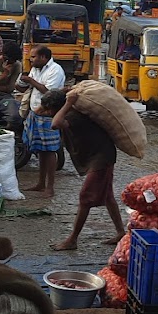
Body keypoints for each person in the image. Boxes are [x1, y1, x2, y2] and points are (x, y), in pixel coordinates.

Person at [35, 89, 126, 251]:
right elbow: (45, 113)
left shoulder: (72, 115)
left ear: (58, 107)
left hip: (101, 157)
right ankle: (120, 232)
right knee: (108, 197)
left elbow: (55, 124)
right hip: (97, 155)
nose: (48, 113)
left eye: (50, 110)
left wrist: (68, 103)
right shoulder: (69, 111)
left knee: (85, 197)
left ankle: (72, 240)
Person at [19, 46, 67, 196]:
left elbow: (49, 92)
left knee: (50, 151)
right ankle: (40, 183)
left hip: (48, 115)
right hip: (35, 113)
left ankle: (50, 187)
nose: (31, 59)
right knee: (41, 150)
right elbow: (23, 88)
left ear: (44, 57)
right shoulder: (36, 69)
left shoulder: (55, 70)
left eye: (34, 57)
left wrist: (31, 80)